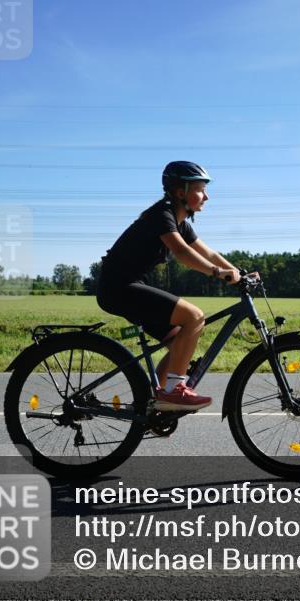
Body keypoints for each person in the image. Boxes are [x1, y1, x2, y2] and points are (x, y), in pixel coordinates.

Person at [96, 161, 255, 412]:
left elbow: (209, 253)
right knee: (194, 316)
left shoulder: (181, 222)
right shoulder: (162, 216)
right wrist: (217, 273)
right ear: (181, 191)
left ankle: (156, 402)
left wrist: (239, 273)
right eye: (201, 189)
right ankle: (173, 391)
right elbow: (182, 252)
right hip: (119, 287)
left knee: (180, 338)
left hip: (131, 285)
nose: (207, 196)